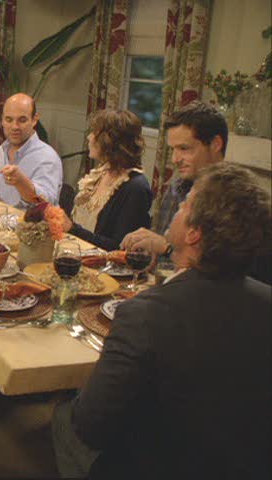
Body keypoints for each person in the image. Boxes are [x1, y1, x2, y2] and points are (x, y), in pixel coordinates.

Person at [53, 163, 271, 479]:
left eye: (183, 206)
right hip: (245, 464)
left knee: (64, 417)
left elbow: (90, 426)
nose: (175, 211)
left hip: (157, 464)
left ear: (194, 233)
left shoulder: (143, 315)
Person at [121, 101, 226, 254]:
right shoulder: (177, 186)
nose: (175, 159)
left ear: (216, 144)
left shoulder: (231, 200)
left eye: (184, 148)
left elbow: (217, 270)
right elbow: (160, 241)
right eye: (173, 150)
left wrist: (166, 249)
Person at [59, 110, 152, 250]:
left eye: (94, 132)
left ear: (109, 141)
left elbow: (118, 247)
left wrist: (72, 229)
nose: (89, 137)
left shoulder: (135, 187)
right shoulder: (99, 174)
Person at [0, 93, 62, 207]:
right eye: (9, 120)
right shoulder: (1, 150)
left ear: (34, 120)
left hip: (31, 224)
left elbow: (46, 205)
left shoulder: (48, 158)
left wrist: (22, 183)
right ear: (2, 120)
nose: (14, 127)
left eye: (22, 120)